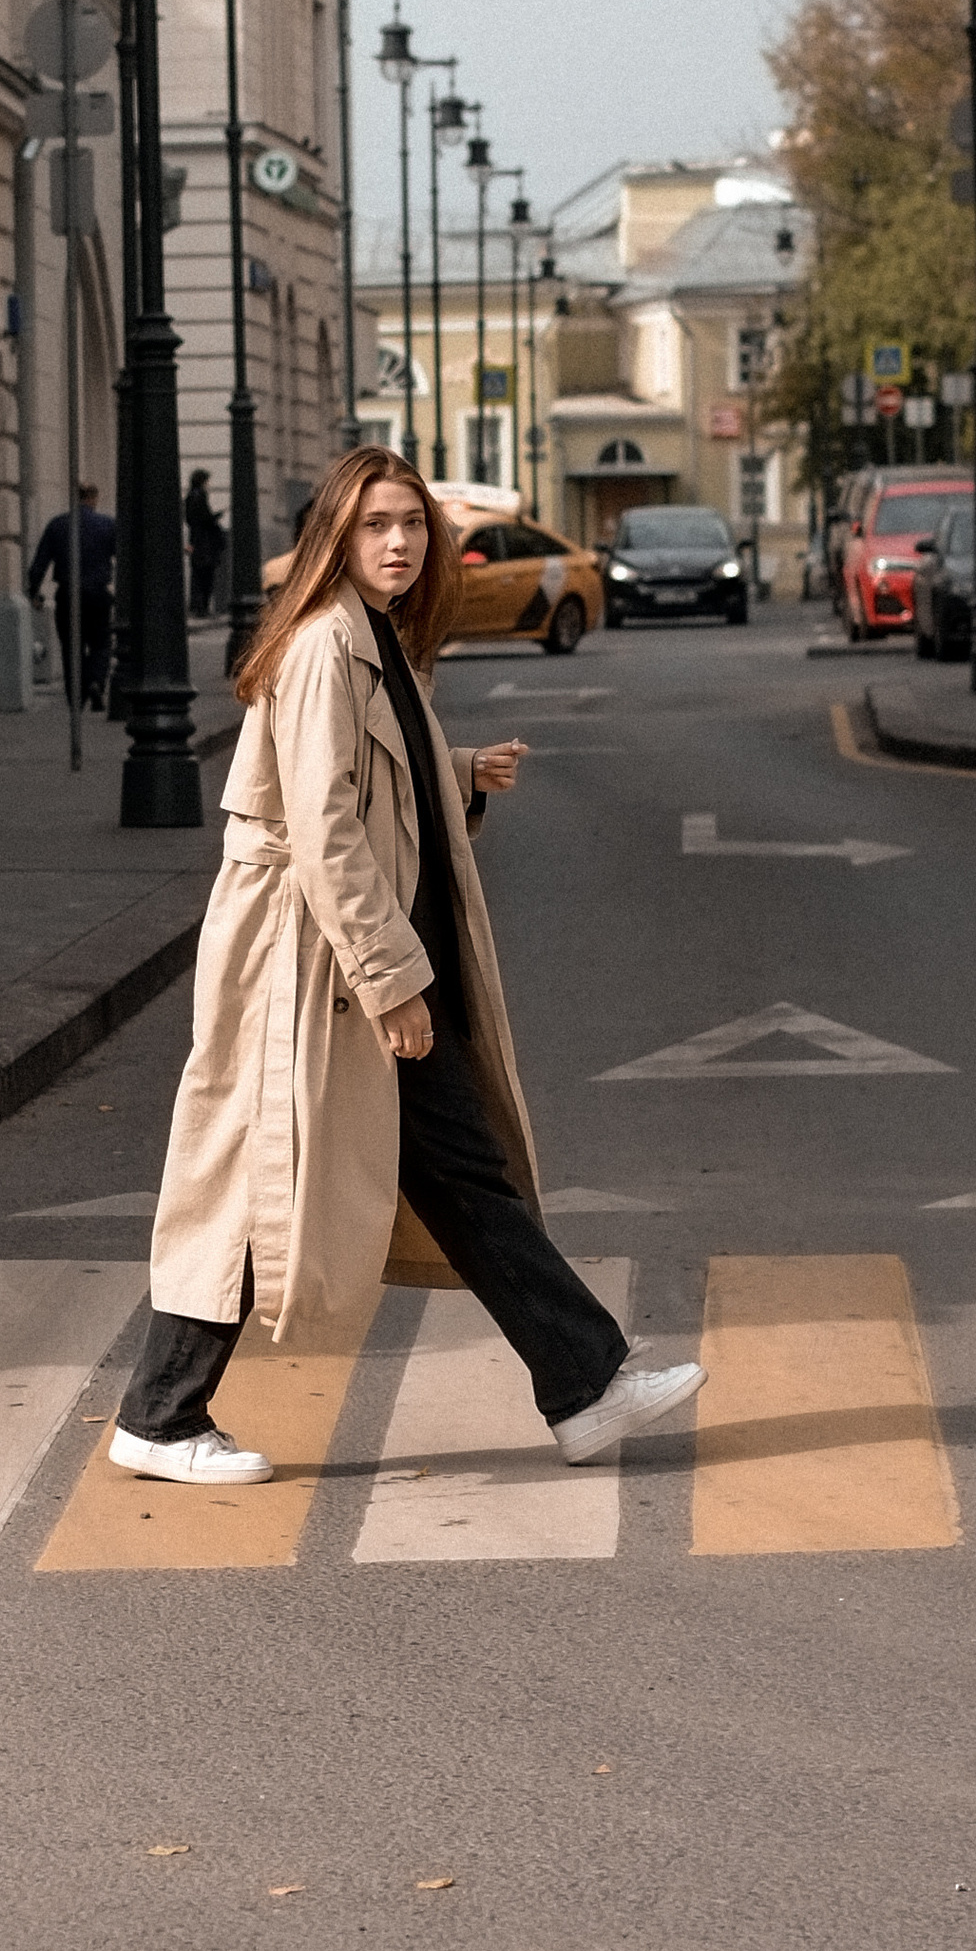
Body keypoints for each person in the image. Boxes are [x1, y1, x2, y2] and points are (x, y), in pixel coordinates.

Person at [110, 444, 706, 1486]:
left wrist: (458, 769)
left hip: (352, 962)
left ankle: (583, 1379)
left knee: (449, 1173)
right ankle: (160, 1416)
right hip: (316, 967)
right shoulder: (317, 649)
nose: (399, 542)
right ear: (335, 537)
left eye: (413, 524)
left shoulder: (367, 637)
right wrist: (393, 981)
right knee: (260, 1179)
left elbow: (363, 777)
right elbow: (326, 826)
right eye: (377, 524)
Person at [27, 481, 116, 711]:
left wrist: (34, 592)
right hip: (97, 594)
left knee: (71, 647)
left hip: (67, 594)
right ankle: (96, 680)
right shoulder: (107, 524)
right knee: (101, 643)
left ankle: (76, 699)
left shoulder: (57, 525)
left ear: (74, 498)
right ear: (94, 499)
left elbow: (40, 563)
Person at [184, 466, 227, 621]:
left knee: (198, 575)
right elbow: (205, 519)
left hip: (198, 541)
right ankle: (202, 607)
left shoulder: (190, 496)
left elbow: (191, 520)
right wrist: (216, 516)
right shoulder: (199, 496)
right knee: (205, 576)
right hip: (204, 543)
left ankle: (198, 606)